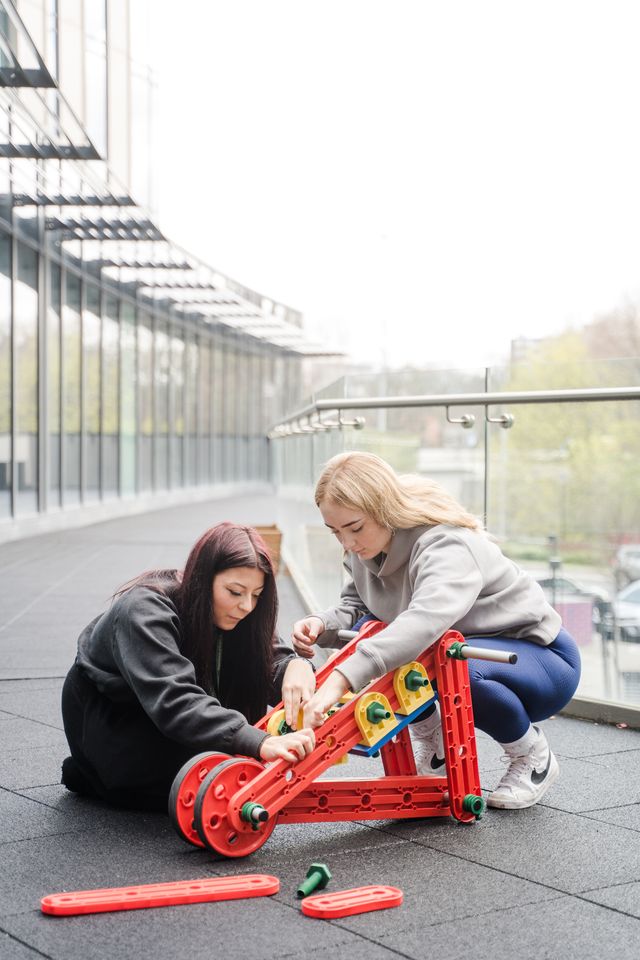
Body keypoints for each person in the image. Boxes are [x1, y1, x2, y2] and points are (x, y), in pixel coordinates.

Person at [289, 452, 581, 810]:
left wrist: (340, 679)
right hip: (463, 651)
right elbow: (359, 609)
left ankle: (531, 754)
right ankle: (437, 746)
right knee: (380, 633)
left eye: (354, 528)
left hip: (540, 659)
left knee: (451, 663)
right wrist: (322, 624)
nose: (347, 543)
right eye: (335, 532)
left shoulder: (446, 545)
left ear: (383, 509)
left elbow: (423, 622)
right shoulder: (362, 549)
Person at [61, 522, 315, 811]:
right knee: (203, 775)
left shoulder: (232, 612)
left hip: (160, 725)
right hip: (117, 731)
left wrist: (296, 665)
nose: (247, 606)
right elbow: (175, 699)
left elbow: (270, 656)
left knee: (224, 763)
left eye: (256, 595)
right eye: (235, 591)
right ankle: (98, 776)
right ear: (203, 579)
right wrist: (258, 742)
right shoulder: (143, 610)